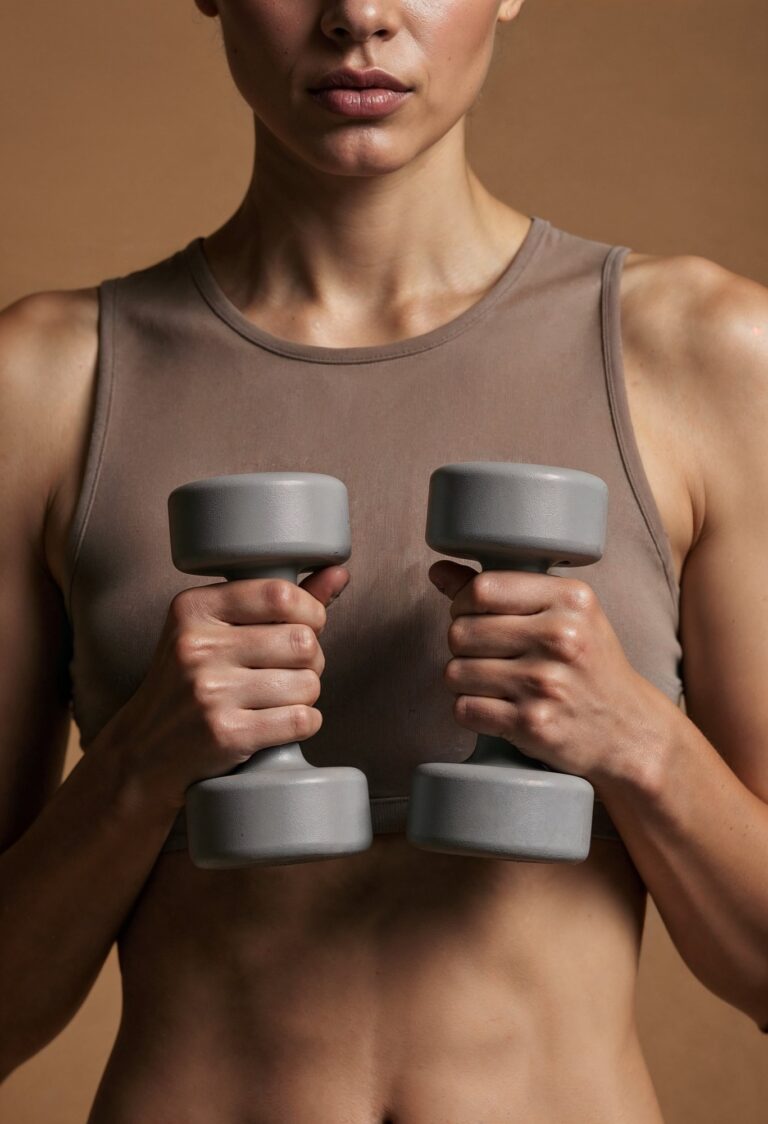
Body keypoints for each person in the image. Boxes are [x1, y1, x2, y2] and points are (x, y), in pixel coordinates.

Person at [1, 1, 767, 1120]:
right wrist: (135, 766)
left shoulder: (709, 358)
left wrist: (638, 740)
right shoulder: (41, 387)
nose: (358, 13)